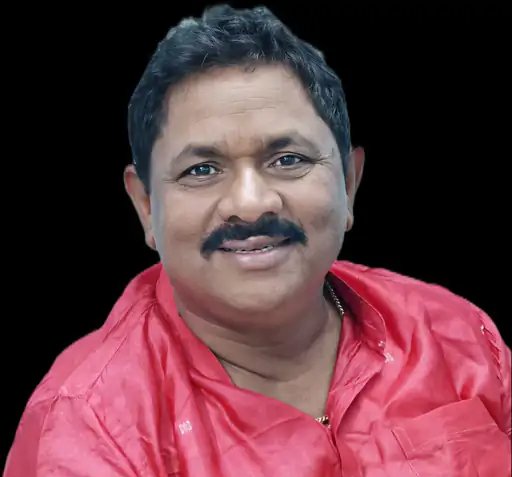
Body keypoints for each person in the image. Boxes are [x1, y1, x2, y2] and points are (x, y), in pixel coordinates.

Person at [5, 4, 510, 477]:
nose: (250, 205)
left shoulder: (454, 335)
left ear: (349, 183)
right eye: (202, 169)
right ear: (145, 206)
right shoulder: (88, 426)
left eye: (288, 160)